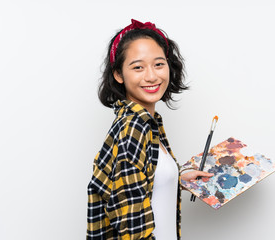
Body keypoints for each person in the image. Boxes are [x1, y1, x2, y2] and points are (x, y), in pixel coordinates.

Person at [86, 19, 214, 240]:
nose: (152, 76)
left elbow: (139, 185)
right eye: (138, 67)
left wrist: (178, 178)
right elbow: (131, 222)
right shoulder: (133, 127)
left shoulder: (148, 124)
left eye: (158, 64)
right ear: (118, 74)